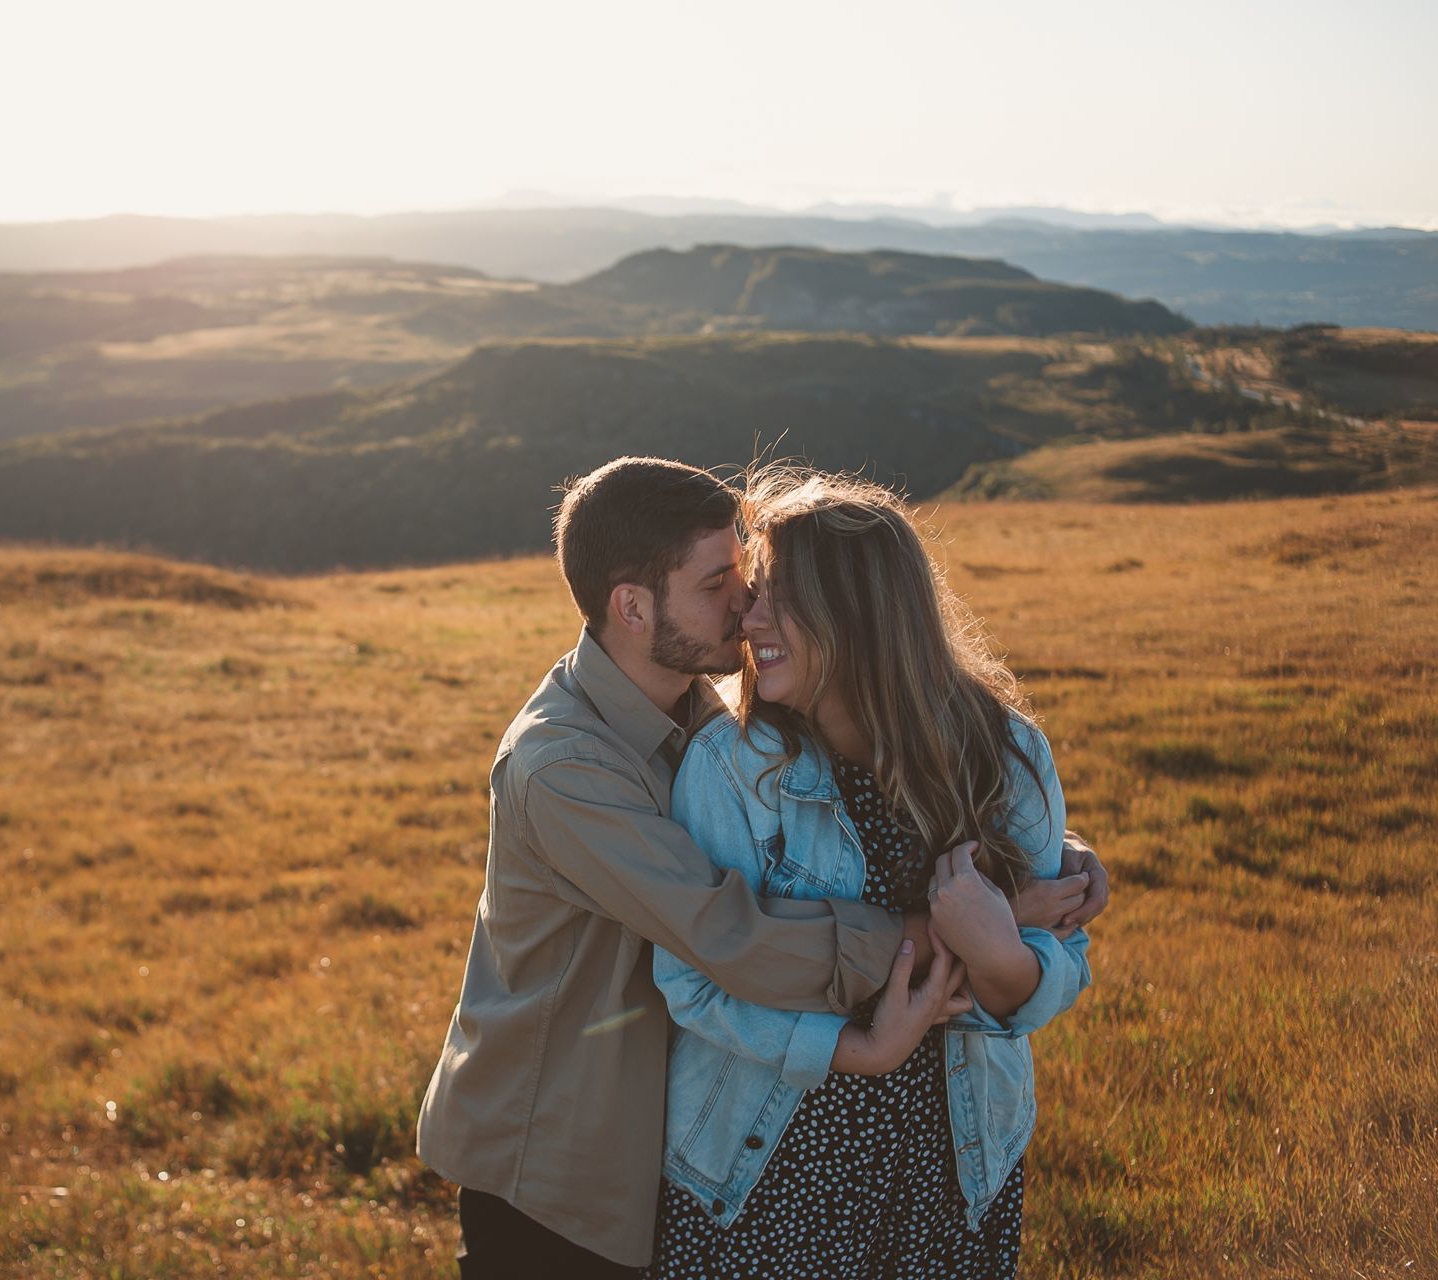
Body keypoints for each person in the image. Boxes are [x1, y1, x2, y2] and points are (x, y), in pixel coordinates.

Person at [415, 456, 1108, 1278]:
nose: (744, 606)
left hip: (681, 1135)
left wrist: (1055, 859)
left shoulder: (700, 710)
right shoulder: (562, 767)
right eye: (719, 584)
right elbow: (727, 935)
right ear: (633, 608)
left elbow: (925, 774)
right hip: (557, 1155)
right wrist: (977, 926)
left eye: (750, 579)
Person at [645, 470, 1093, 1279]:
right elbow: (694, 984)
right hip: (763, 1184)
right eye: (752, 592)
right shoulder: (732, 768)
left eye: (779, 594)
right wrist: (855, 1044)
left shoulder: (1008, 756)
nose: (748, 617)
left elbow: (1058, 961)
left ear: (861, 613)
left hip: (953, 1178)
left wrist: (1000, 956)